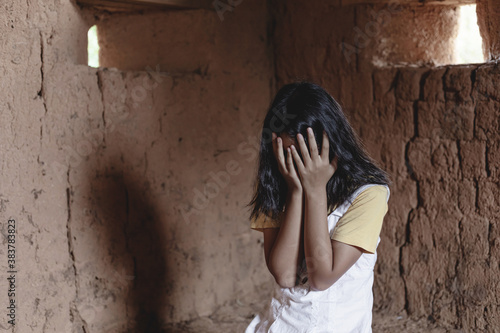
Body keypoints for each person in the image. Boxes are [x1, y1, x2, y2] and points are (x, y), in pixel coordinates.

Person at [245, 81, 391, 332]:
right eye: (289, 155)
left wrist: (315, 191)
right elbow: (285, 275)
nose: (298, 166)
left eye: (306, 154)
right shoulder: (275, 184)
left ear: (331, 144)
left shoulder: (369, 195)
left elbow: (322, 277)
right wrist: (296, 191)